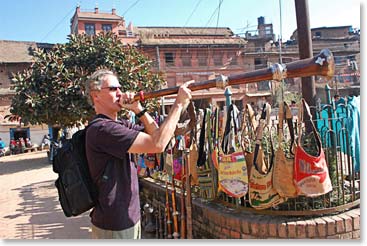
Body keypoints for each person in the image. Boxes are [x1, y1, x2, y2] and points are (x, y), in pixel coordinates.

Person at [85, 69, 192, 239]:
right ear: (95, 95)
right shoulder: (103, 129)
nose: (120, 93)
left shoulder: (120, 124)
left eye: (120, 88)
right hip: (114, 223)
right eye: (113, 89)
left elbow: (155, 135)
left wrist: (138, 110)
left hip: (128, 217)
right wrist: (178, 104)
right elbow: (158, 144)